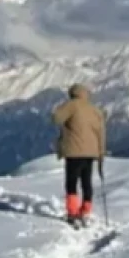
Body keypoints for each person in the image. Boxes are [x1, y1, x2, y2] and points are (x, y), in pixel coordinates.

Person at [51, 83, 106, 223]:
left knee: (71, 182)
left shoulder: (71, 105)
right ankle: (86, 211)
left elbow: (56, 118)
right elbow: (101, 134)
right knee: (86, 182)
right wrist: (101, 153)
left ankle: (73, 213)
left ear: (72, 94)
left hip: (74, 151)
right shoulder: (95, 110)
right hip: (91, 153)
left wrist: (58, 108)